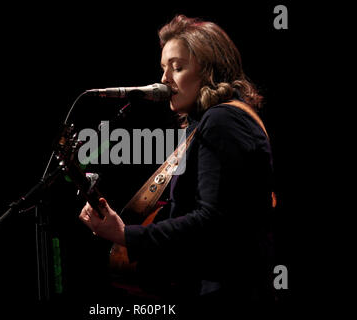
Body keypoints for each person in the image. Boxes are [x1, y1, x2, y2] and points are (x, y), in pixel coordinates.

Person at [79, 15, 276, 307]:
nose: (164, 80)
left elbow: (211, 220)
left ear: (209, 71)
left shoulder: (222, 120)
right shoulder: (213, 122)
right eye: (163, 68)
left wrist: (125, 234)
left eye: (178, 67)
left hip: (226, 295)